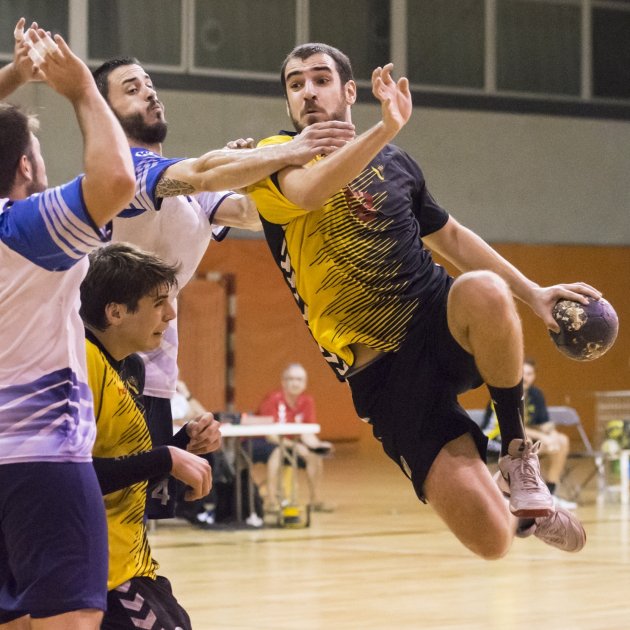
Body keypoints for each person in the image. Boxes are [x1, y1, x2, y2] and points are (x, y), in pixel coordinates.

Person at [242, 43, 600, 558]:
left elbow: (451, 237)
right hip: (383, 375)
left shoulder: (395, 163)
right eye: (295, 85)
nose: (307, 93)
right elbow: (309, 192)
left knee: (485, 290)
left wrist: (535, 294)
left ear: (349, 92)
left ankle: (517, 458)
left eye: (320, 80)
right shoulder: (275, 155)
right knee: (492, 542)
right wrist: (386, 127)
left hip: (432, 316)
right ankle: (518, 517)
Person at [91, 56, 355, 519]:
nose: (150, 91)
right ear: (103, 111)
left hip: (155, 372)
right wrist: (281, 152)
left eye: (149, 83)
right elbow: (204, 171)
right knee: (98, 509)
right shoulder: (123, 172)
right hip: (99, 361)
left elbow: (255, 213)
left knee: (138, 510)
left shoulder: (187, 188)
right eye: (132, 88)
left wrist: (275, 173)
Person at [0, 20, 135, 629]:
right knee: (70, 622)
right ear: (25, 167)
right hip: (42, 462)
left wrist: (14, 76)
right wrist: (83, 91)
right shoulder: (25, 229)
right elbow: (117, 180)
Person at [80, 242, 220, 629]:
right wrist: (165, 458)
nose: (171, 314)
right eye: (159, 303)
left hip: (133, 561)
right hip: (95, 572)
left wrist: (184, 444)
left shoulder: (131, 368)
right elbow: (65, 476)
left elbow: (127, 465)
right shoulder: (80, 364)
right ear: (115, 312)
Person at [253, 363, 334, 512]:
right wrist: (296, 446)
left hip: (289, 442)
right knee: (277, 452)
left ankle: (315, 500)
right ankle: (272, 502)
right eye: (291, 379)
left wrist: (318, 446)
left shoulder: (307, 401)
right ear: (283, 382)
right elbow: (270, 435)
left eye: (299, 379)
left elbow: (307, 433)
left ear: (305, 383)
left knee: (314, 456)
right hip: (263, 441)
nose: (295, 383)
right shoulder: (273, 399)